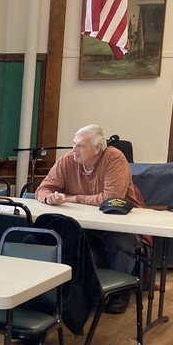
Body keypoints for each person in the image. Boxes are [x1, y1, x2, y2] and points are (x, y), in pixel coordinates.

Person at [34, 123, 142, 312]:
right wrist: (49, 198)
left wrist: (73, 198)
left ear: (97, 148)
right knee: (57, 235)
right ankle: (69, 291)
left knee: (122, 239)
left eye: (80, 146)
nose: (73, 150)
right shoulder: (68, 160)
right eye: (73, 144)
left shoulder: (114, 158)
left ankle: (120, 291)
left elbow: (110, 198)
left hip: (117, 221)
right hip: (82, 223)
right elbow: (43, 188)